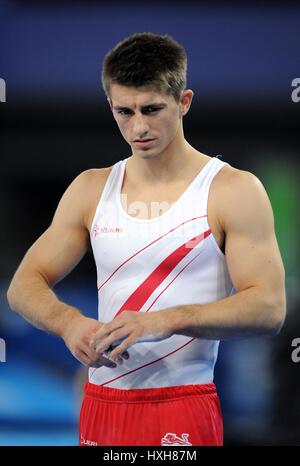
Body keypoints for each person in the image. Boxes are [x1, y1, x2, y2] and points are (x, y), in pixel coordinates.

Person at [7, 32, 286, 446]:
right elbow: (24, 284)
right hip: (101, 402)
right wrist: (69, 324)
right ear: (111, 107)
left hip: (182, 402)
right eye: (125, 111)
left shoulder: (232, 191)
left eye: (152, 109)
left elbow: (268, 308)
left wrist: (165, 319)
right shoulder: (90, 189)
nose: (138, 127)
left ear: (184, 102)